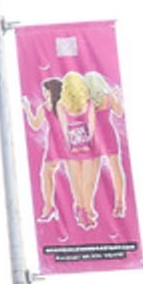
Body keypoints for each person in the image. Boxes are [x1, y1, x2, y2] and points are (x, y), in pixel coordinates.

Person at [59, 71, 98, 229]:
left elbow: (64, 128)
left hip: (71, 147)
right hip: (87, 145)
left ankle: (82, 209)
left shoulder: (61, 105)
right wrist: (88, 142)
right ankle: (87, 211)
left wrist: (70, 145)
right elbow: (91, 125)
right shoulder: (88, 103)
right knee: (87, 182)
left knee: (76, 182)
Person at [85, 70, 127, 218]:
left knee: (92, 173)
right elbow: (119, 112)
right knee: (116, 169)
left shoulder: (86, 101)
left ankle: (89, 208)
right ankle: (120, 203)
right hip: (108, 133)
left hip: (94, 136)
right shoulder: (108, 97)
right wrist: (118, 97)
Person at [21, 77, 64, 222]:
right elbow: (35, 124)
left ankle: (52, 207)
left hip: (66, 138)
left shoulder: (63, 104)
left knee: (71, 172)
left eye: (46, 90)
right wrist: (27, 109)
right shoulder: (45, 107)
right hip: (54, 140)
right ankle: (49, 206)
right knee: (46, 173)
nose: (44, 93)